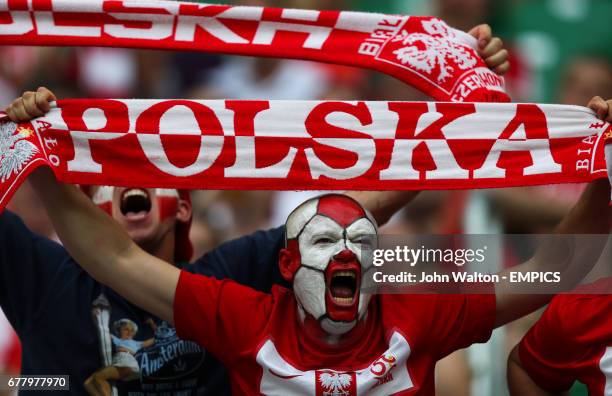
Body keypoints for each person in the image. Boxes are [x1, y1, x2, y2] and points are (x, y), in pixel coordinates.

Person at [0, 22, 509, 395]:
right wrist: (22, 139)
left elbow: (360, 211)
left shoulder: (228, 286)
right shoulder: (43, 274)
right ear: (87, 209)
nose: (131, 184)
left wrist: (458, 93)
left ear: (183, 207)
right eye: (109, 179)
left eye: (153, 173)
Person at [22, 104, 610, 395]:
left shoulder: (418, 306)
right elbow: (116, 259)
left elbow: (553, 268)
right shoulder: (242, 315)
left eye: (361, 243)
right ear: (287, 264)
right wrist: (43, 161)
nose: (346, 254)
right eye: (324, 241)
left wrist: (601, 174)